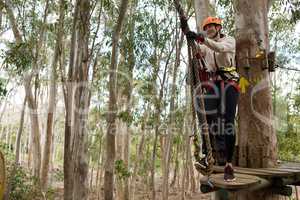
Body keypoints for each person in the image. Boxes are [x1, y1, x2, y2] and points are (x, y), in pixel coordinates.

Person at [181, 16, 240, 182]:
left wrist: (201, 38)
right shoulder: (205, 45)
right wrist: (190, 37)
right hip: (213, 83)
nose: (209, 30)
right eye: (206, 28)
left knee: (228, 121)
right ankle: (208, 153)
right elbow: (200, 50)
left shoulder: (229, 41)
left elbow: (219, 48)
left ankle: (228, 163)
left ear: (219, 27)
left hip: (230, 82)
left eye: (212, 27)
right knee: (206, 116)